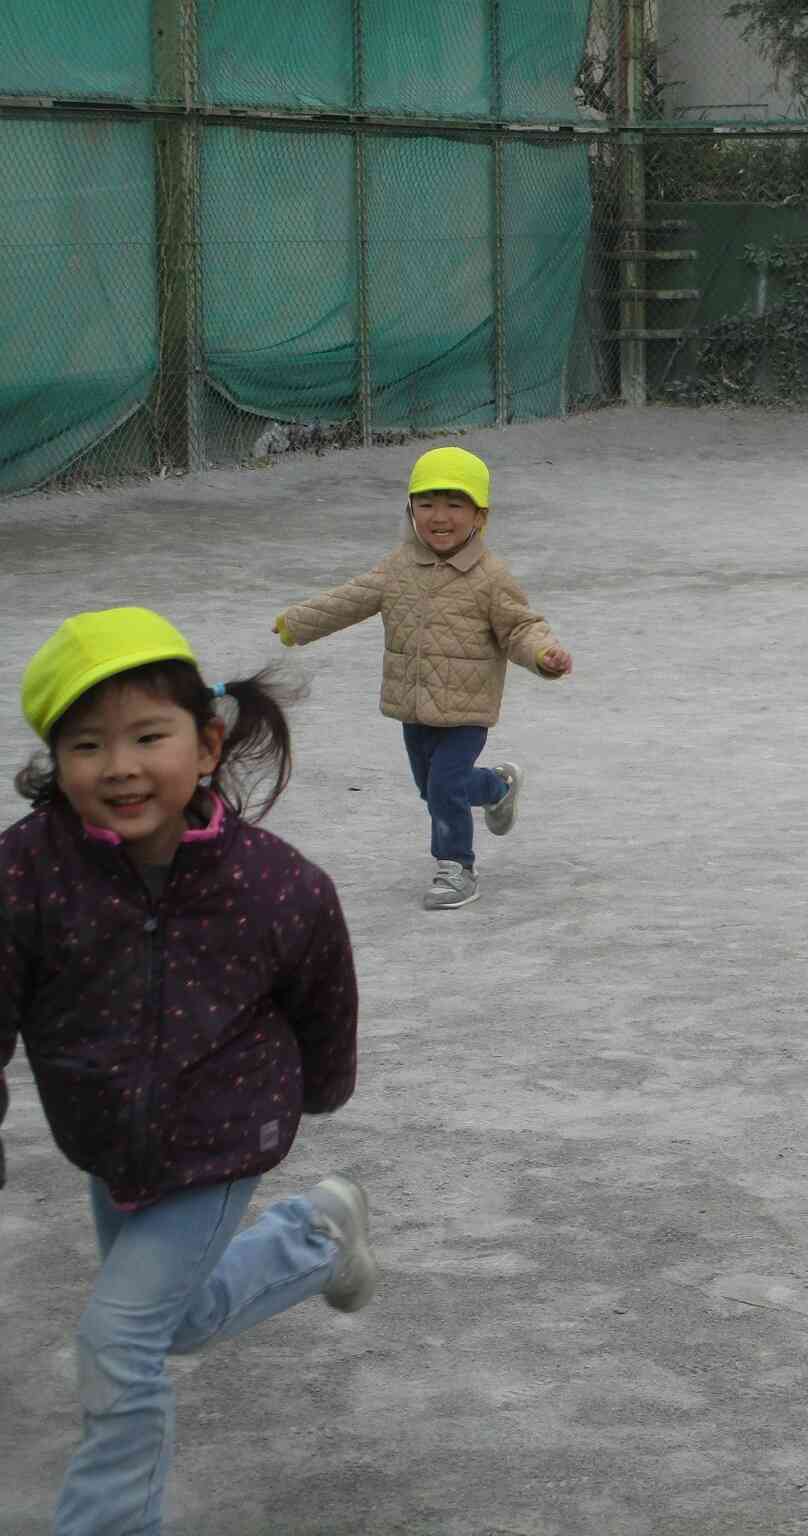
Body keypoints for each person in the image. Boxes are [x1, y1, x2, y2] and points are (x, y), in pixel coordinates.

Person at [0, 607, 377, 1535]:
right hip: (107, 1138)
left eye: (148, 736)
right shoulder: (24, 876)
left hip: (222, 1134)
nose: (120, 765)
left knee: (120, 1340)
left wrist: (319, 1089)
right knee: (179, 1317)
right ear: (57, 763)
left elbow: (322, 991)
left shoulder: (277, 884)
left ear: (207, 744)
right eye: (87, 745)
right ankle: (316, 1239)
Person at [274, 445, 573, 910]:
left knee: (443, 787)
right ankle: (498, 787)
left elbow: (520, 626)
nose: (439, 516)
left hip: (466, 709)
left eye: (455, 505)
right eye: (426, 503)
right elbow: (352, 598)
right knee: (430, 788)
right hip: (413, 704)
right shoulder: (398, 567)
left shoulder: (490, 576)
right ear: (410, 507)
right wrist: (299, 621)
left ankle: (456, 868)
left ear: (479, 515)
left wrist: (543, 653)